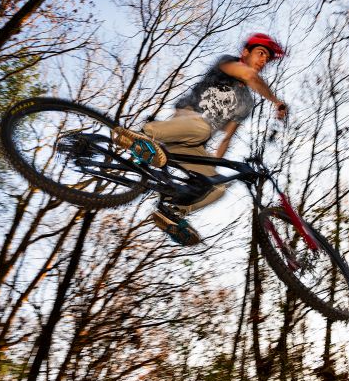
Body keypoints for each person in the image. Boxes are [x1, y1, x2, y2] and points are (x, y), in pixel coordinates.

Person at [113, 33, 287, 245]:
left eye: (267, 59)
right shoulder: (228, 63)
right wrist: (276, 101)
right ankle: (140, 135)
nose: (263, 60)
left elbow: (226, 139)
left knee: (217, 187)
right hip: (186, 121)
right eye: (260, 53)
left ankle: (172, 211)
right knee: (202, 127)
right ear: (245, 53)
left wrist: (214, 168)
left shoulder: (247, 102)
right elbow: (249, 76)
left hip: (192, 143)